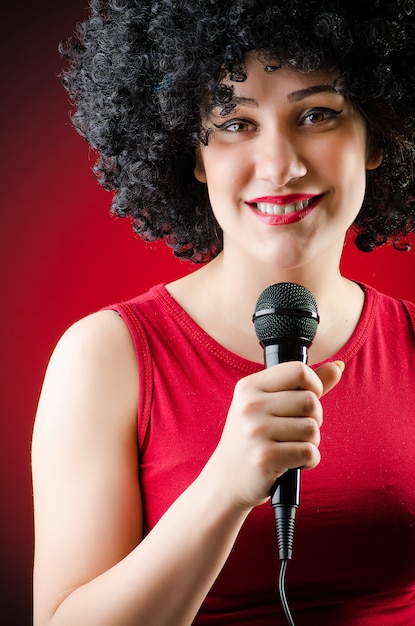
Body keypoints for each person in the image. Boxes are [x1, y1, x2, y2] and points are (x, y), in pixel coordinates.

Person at [32, 1, 415, 624]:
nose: (281, 166)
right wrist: (226, 485)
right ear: (193, 153)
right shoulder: (105, 356)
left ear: (378, 135)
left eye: (317, 115)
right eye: (235, 123)